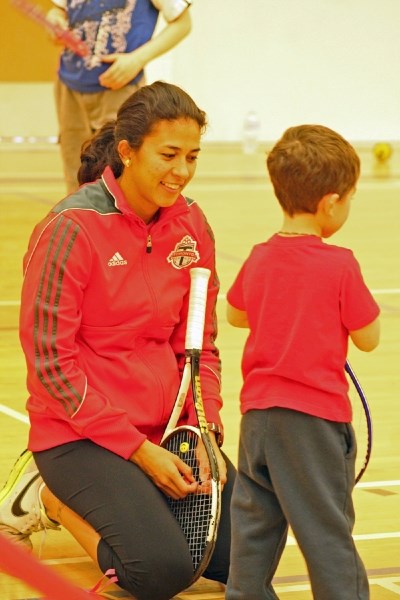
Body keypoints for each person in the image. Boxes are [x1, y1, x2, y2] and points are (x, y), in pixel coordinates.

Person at [0, 81, 235, 600]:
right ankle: (49, 499)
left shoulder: (192, 225)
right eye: (168, 155)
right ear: (127, 152)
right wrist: (138, 452)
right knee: (157, 573)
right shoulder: (70, 228)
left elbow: (201, 346)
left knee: (247, 552)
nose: (182, 171)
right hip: (80, 436)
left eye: (192, 156)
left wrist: (204, 429)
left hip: (167, 430)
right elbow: (50, 365)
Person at [225, 124, 380, 600]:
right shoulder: (340, 264)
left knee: (254, 521)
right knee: (325, 530)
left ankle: (244, 594)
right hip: (312, 424)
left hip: (258, 420)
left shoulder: (259, 257)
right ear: (331, 202)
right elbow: (369, 338)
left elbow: (235, 314)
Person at [46, 0, 193, 193]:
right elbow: (57, 11)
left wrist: (137, 60)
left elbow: (183, 24)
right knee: (76, 171)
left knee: (120, 172)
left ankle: (120, 223)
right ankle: (81, 219)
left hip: (121, 88)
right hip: (69, 86)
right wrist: (54, 22)